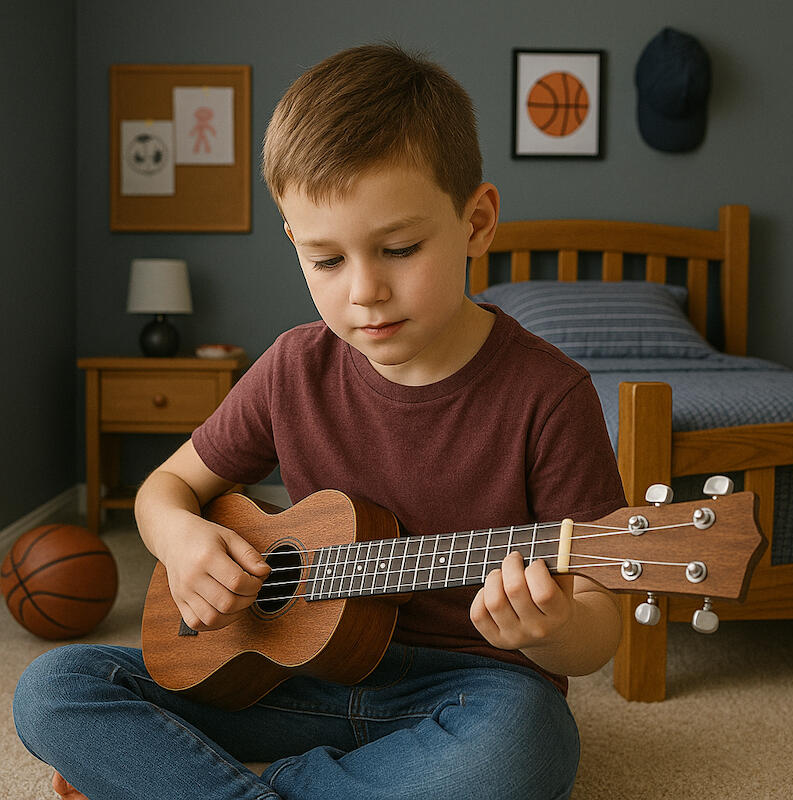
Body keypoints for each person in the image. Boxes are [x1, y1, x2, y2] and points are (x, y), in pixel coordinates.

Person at [14, 43, 626, 800]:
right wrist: (181, 539)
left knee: (530, 749)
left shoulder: (550, 394)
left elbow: (603, 618)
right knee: (54, 686)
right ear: (294, 244)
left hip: (467, 692)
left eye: (399, 248)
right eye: (326, 260)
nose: (364, 290)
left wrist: (555, 626)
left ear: (476, 222)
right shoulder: (292, 368)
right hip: (281, 675)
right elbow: (164, 488)